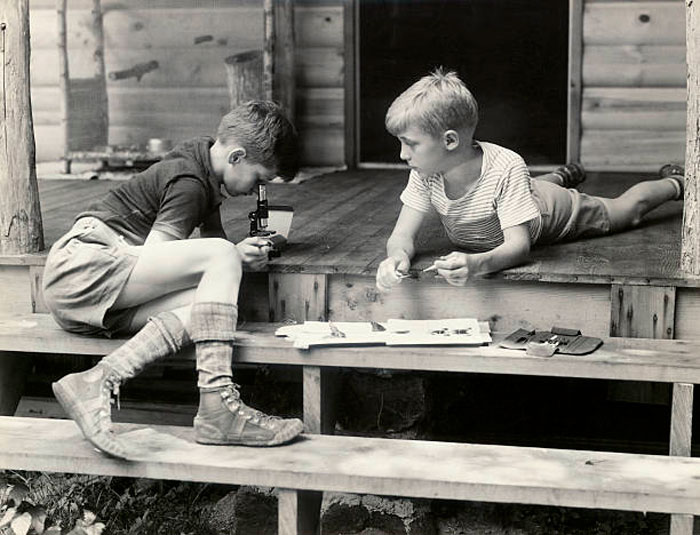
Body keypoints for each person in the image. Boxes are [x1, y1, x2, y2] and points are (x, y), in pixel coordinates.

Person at [43, 100, 304, 458]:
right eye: (259, 178)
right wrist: (231, 256)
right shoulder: (190, 183)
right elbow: (157, 254)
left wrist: (233, 257)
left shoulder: (204, 165)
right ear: (237, 157)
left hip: (94, 293)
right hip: (84, 265)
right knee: (222, 259)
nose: (256, 189)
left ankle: (98, 380)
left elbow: (210, 263)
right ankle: (218, 409)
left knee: (212, 310)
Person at [376, 69, 685, 291]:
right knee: (528, 187)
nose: (403, 154)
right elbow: (401, 236)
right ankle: (563, 175)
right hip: (521, 196)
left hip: (553, 212)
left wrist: (476, 264)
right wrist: (396, 258)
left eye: (410, 143)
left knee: (629, 210)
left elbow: (519, 247)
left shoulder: (507, 166)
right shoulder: (424, 172)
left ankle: (678, 183)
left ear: (450, 141)